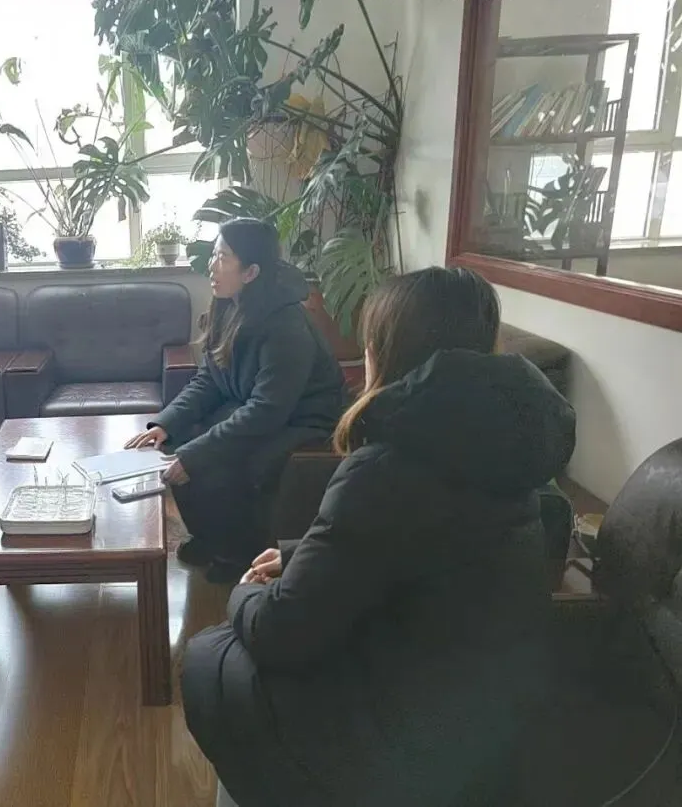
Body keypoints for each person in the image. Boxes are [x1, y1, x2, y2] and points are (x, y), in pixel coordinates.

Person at [181, 268, 576, 807]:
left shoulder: (386, 467)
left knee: (212, 655)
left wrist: (243, 593)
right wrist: (296, 556)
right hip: (486, 707)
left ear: (386, 354)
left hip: (406, 729)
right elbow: (426, 551)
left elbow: (282, 632)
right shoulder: (512, 444)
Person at [125, 218, 346, 583]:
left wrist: (196, 454)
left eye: (223, 257)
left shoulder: (286, 325)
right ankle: (209, 538)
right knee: (179, 440)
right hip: (254, 405)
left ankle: (239, 552)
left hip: (302, 419)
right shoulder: (227, 305)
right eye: (214, 254)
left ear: (251, 272)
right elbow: (209, 379)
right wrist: (166, 423)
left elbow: (268, 410)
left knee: (217, 460)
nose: (212, 266)